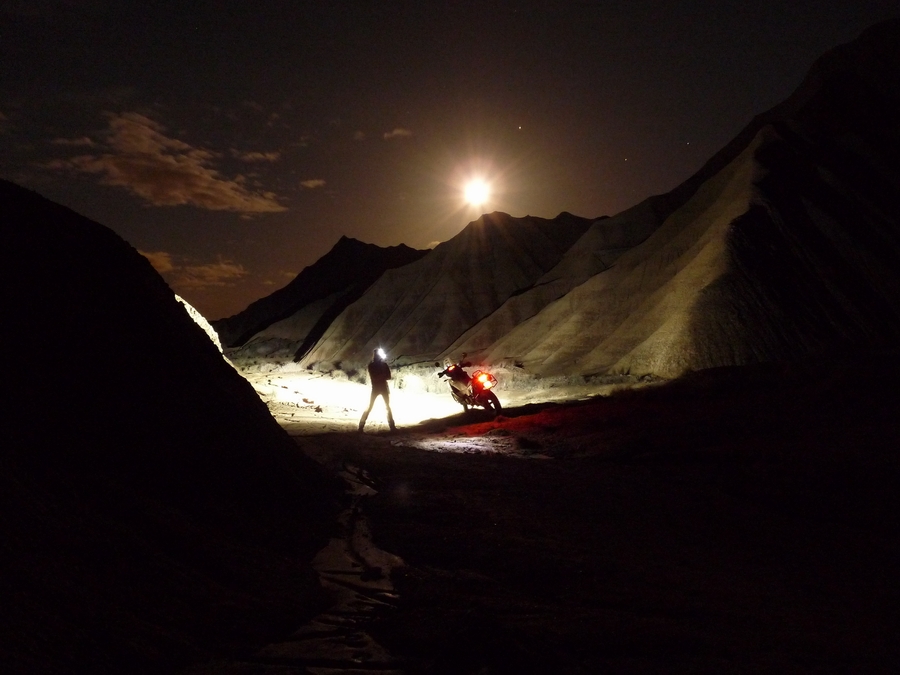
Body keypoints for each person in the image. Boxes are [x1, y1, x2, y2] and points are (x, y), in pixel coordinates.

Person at [358, 347, 396, 432]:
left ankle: (361, 426)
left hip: (377, 388)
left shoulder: (374, 365)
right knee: (380, 407)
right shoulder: (375, 365)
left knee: (382, 407)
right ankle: (392, 427)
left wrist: (381, 375)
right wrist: (383, 375)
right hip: (380, 388)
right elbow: (383, 377)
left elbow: (386, 377)